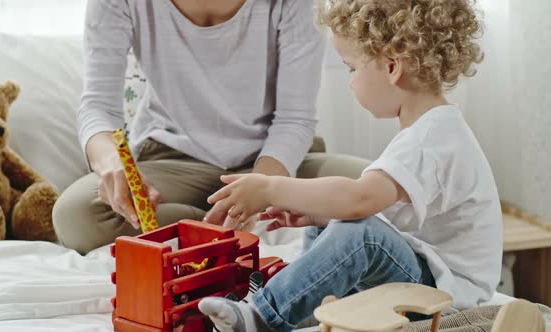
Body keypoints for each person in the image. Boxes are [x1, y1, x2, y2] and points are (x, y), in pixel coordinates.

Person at [199, 0, 503, 331]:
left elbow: (361, 200)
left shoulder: (431, 139)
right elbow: (393, 217)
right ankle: (300, 305)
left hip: (444, 294)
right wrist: (321, 215)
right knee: (338, 219)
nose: (350, 81)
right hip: (426, 272)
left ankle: (261, 316)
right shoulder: (429, 129)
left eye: (351, 68)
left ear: (391, 67)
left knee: (362, 233)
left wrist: (271, 187)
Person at [52, 0, 371, 254]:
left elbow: (294, 119)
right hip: (171, 161)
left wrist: (265, 187)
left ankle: (204, 227)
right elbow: (97, 107)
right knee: (77, 215)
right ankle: (216, 226)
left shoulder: (297, 4)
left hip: (271, 162)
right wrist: (112, 164)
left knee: (384, 191)